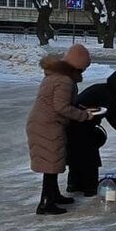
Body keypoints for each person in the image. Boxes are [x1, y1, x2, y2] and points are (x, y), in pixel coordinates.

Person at [26, 44, 93, 215]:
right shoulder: (64, 80)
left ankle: (53, 196)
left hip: (42, 123)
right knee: (50, 165)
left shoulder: (56, 75)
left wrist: (79, 108)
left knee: (52, 164)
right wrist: (84, 115)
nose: (84, 71)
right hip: (48, 125)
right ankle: (46, 203)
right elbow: (61, 107)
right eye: (84, 67)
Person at [65, 67, 116, 195]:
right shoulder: (107, 95)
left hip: (77, 127)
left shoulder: (105, 90)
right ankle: (88, 186)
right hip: (79, 126)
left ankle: (74, 183)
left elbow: (114, 120)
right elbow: (115, 121)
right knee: (89, 157)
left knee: (78, 156)